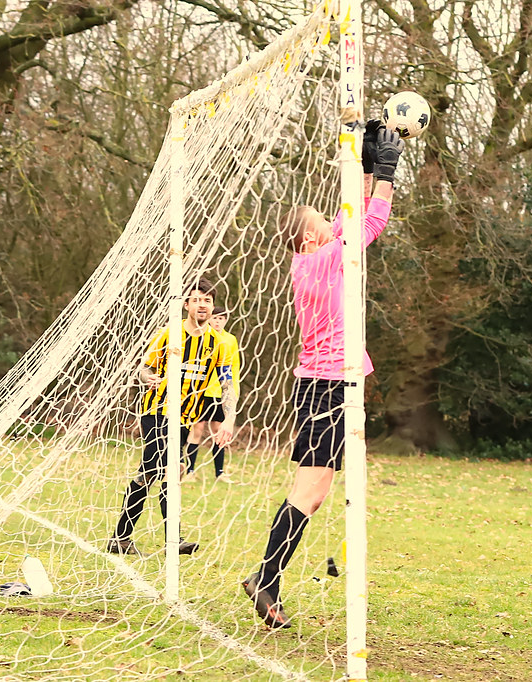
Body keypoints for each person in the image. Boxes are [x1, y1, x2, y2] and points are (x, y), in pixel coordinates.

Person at [242, 120, 403, 629]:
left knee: (318, 490)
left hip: (327, 382)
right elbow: (367, 224)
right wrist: (386, 172)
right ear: (311, 235)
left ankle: (266, 578)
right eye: (321, 222)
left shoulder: (314, 258)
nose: (330, 223)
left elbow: (345, 216)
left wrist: (357, 160)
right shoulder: (321, 263)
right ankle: (265, 580)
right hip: (328, 385)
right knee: (309, 491)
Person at [107, 278, 237, 556]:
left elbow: (227, 384)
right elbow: (144, 367)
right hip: (155, 410)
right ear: (186, 305)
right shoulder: (169, 333)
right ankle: (173, 541)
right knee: (171, 468)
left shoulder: (218, 344)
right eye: (197, 300)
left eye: (207, 300)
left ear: (212, 307)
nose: (202, 305)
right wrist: (148, 377)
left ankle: (120, 537)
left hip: (183, 416)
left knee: (149, 473)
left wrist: (229, 418)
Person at [186, 306, 241, 481]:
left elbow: (234, 368)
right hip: (201, 391)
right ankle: (189, 471)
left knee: (219, 430)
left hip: (221, 393)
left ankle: (219, 473)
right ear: (210, 318)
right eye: (215, 318)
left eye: (221, 318)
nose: (217, 321)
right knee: (197, 428)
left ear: (226, 320)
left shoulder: (230, 340)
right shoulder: (202, 335)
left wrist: (234, 391)